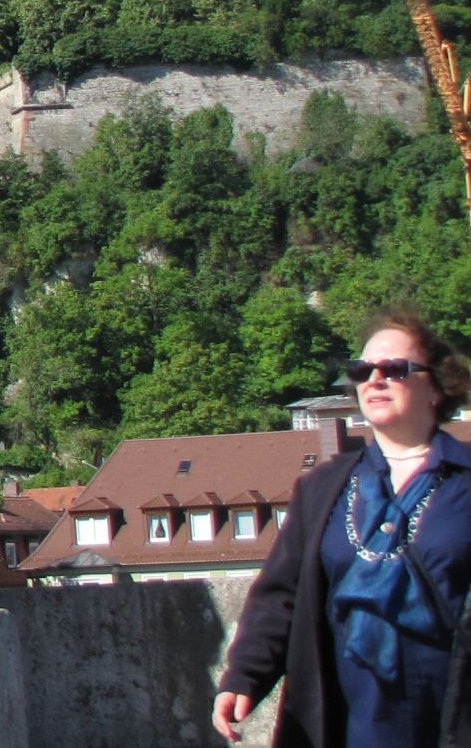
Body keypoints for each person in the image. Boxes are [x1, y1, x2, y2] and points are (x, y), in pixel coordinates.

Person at [214, 307, 471, 746]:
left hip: (450, 713)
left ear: (435, 386)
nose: (374, 379)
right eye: (362, 369)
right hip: (349, 718)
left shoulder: (465, 483)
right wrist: (244, 674)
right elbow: (282, 595)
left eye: (394, 369)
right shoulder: (323, 488)